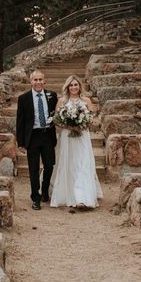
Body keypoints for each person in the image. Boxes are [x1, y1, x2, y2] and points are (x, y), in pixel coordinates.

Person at [50, 75, 103, 210]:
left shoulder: (86, 100)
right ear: (67, 87)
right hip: (67, 136)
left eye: (76, 85)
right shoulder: (62, 101)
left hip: (82, 136)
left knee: (83, 164)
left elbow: (91, 119)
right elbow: (56, 120)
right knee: (68, 164)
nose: (73, 87)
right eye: (71, 85)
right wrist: (69, 126)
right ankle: (69, 194)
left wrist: (82, 124)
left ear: (80, 86)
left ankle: (83, 198)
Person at [16, 69, 58, 210]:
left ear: (44, 81)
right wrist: (21, 142)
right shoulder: (24, 98)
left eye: (40, 80)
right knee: (33, 169)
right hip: (32, 137)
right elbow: (20, 122)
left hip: (47, 135)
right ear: (31, 81)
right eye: (35, 80)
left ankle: (45, 191)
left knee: (49, 165)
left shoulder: (52, 95)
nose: (38, 82)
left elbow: (57, 114)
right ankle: (35, 197)